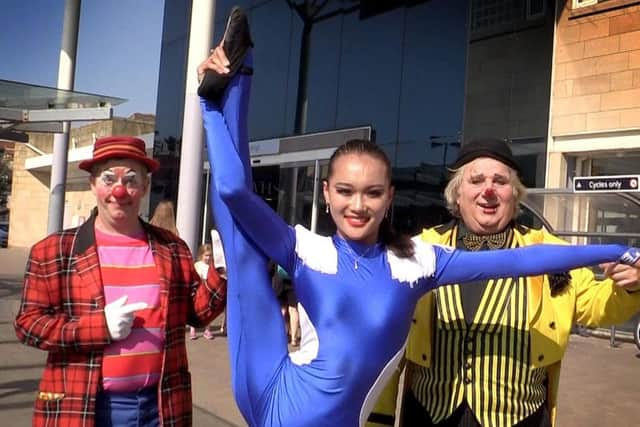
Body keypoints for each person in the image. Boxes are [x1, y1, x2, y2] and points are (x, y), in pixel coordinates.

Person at [197, 7, 640, 427]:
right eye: (346, 192)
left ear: (390, 198)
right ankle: (233, 81)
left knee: (244, 239)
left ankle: (230, 87)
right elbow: (235, 192)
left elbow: (524, 262)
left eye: (372, 193)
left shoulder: (423, 260)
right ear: (327, 194)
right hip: (278, 386)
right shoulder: (315, 247)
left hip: (505, 416)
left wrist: (621, 251)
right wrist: (209, 106)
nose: (358, 205)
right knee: (244, 246)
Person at [367, 138, 640, 427]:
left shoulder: (548, 252)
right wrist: (378, 419)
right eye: (476, 180)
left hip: (520, 419)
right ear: (457, 194)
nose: (488, 190)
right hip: (430, 415)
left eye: (500, 181)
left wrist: (630, 286)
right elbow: (387, 347)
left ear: (515, 194)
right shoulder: (419, 251)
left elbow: (596, 306)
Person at [14, 136, 227, 427]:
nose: (119, 190)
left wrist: (222, 275)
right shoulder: (54, 251)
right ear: (92, 184)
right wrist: (98, 327)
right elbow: (29, 325)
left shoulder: (172, 247)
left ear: (145, 187)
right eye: (108, 179)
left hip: (161, 407)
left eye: (130, 180)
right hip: (87, 406)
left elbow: (196, 314)